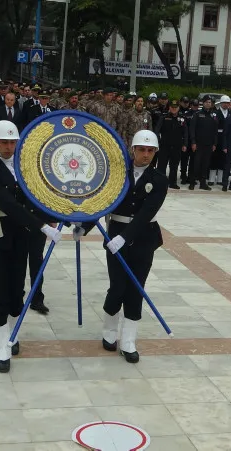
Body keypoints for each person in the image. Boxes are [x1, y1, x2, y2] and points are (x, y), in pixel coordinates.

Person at [0, 120, 62, 373]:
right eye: (4, 142)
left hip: (20, 238)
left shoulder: (26, 168)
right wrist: (41, 226)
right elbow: (9, 204)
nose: (9, 147)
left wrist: (60, 215)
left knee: (16, 290)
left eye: (12, 142)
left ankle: (12, 335)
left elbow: (39, 196)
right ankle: (0, 346)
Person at [77, 130, 168, 364]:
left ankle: (128, 341)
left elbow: (147, 212)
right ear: (133, 150)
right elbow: (103, 202)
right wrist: (84, 227)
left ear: (155, 152)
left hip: (143, 237)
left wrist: (125, 238)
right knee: (117, 286)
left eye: (150, 150)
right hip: (116, 234)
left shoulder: (159, 179)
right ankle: (109, 331)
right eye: (142, 150)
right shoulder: (117, 174)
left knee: (136, 287)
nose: (145, 154)